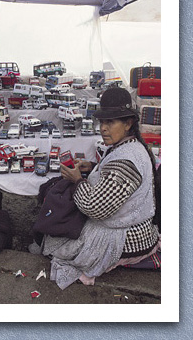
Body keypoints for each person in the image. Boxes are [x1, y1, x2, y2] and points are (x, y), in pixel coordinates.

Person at [36, 87, 161, 290]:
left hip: (125, 236)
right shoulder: (131, 146)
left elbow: (95, 208)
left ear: (128, 123)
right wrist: (93, 168)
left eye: (110, 122)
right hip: (131, 226)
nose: (103, 128)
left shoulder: (127, 158)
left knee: (59, 243)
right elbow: (119, 183)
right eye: (102, 122)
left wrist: (78, 180)